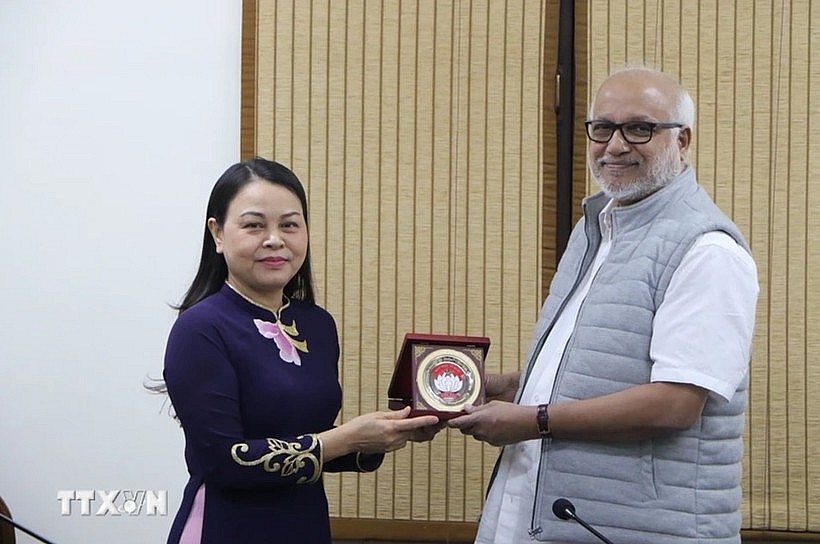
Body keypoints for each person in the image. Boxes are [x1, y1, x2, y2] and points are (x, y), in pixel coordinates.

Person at [448, 67, 759, 544]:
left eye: (639, 128)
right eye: (602, 128)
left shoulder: (707, 250)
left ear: (683, 140)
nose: (615, 145)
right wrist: (511, 387)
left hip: (638, 528)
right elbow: (600, 369)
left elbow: (675, 404)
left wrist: (533, 420)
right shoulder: (597, 227)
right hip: (545, 514)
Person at [158, 158, 441, 543]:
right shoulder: (200, 328)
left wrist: (386, 435)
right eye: (254, 225)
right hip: (227, 527)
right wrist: (347, 438)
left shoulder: (317, 325)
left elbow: (308, 443)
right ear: (218, 234)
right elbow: (225, 462)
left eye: (289, 224)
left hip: (304, 524)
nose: (275, 239)